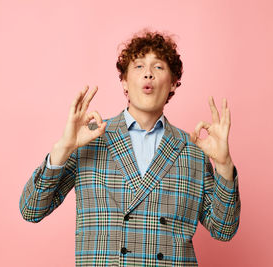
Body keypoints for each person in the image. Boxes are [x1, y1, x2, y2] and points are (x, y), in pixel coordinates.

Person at [19, 30, 241, 266]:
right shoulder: (91, 137)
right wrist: (62, 148)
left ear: (174, 82)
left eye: (158, 67)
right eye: (138, 66)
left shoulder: (192, 149)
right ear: (124, 81)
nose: (148, 73)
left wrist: (224, 165)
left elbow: (223, 229)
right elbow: (31, 209)